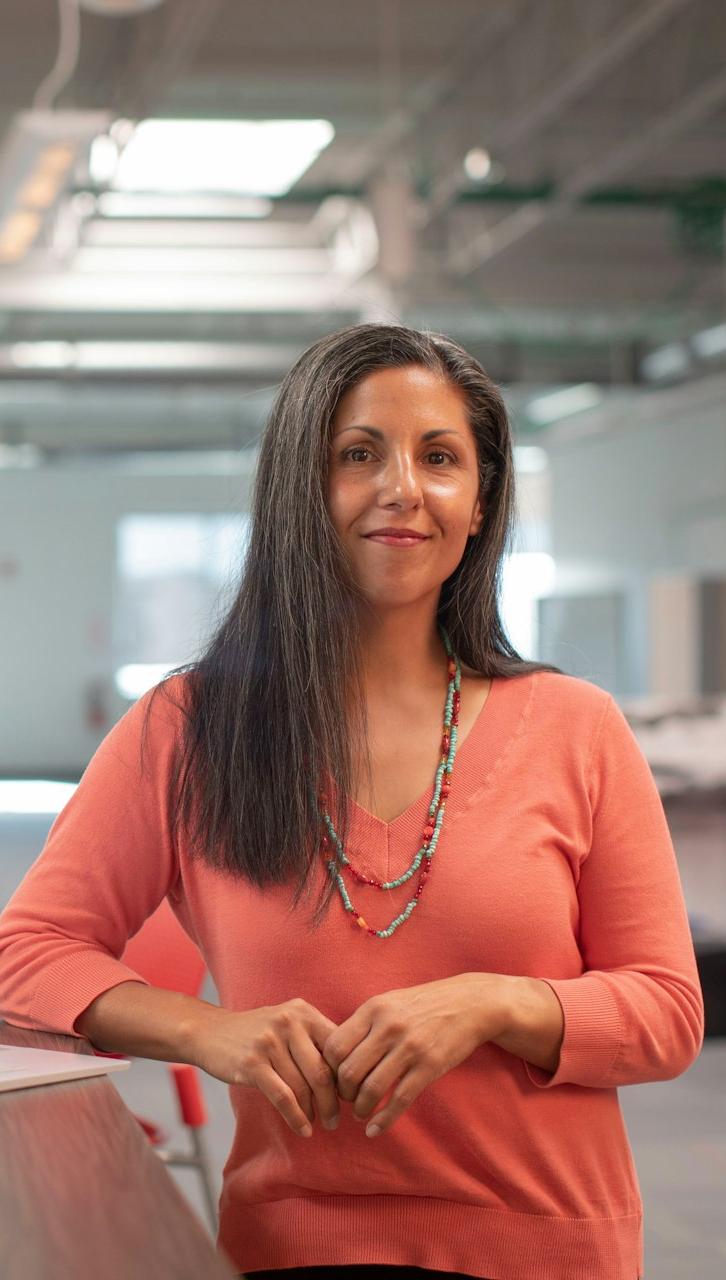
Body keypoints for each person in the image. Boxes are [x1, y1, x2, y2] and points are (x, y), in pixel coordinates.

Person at [0, 323, 703, 1280]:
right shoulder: (189, 726)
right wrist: (205, 1031)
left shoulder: (578, 727)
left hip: (547, 1249)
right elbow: (24, 957)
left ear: (480, 500)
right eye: (358, 454)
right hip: (296, 1249)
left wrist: (495, 1003)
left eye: (440, 457)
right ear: (301, 489)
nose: (402, 488)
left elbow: (667, 1013)